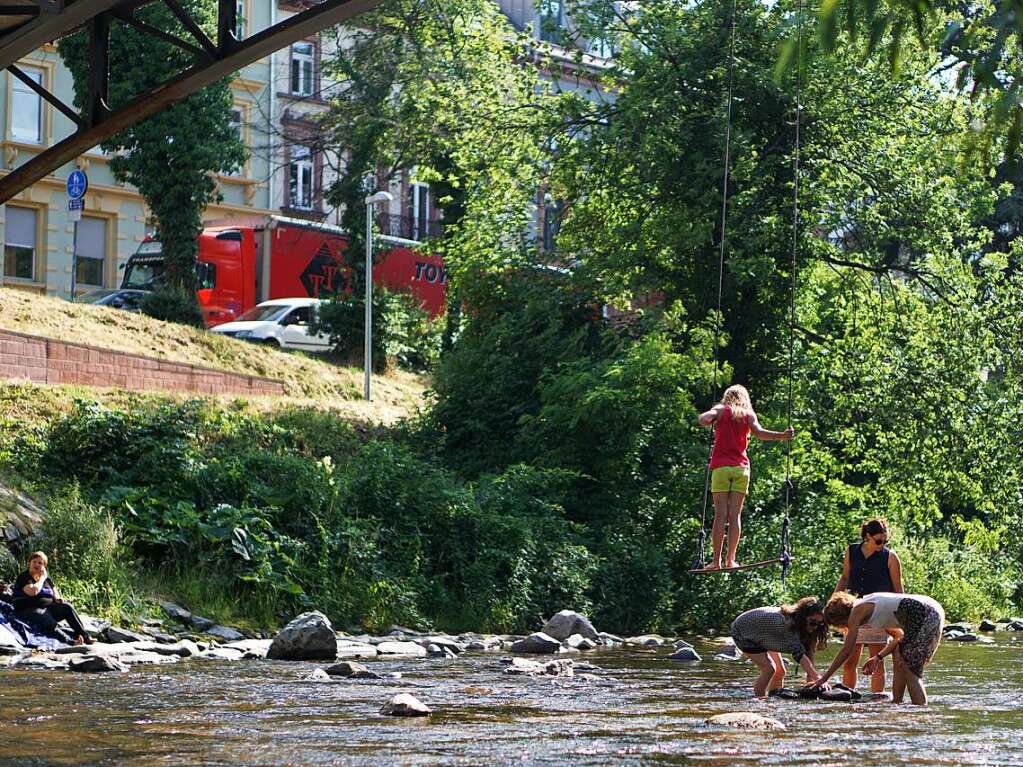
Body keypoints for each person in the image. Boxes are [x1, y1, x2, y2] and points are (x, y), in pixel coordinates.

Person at [697, 384, 794, 569]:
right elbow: (760, 433)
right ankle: (731, 560)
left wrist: (712, 416)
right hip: (741, 469)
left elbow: (704, 419)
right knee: (735, 516)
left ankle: (716, 561)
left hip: (721, 469)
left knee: (720, 516)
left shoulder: (721, 409)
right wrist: (782, 436)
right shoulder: (748, 415)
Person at [816, 591, 945, 705]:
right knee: (901, 656)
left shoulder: (857, 612)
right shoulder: (868, 605)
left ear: (841, 617)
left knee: (911, 669)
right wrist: (878, 657)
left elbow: (846, 651)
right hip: (932, 608)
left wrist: (823, 679)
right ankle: (897, 702)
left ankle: (920, 711)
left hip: (923, 611)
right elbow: (898, 637)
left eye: (842, 624)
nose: (846, 627)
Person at [833, 518, 903, 692]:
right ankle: (847, 694)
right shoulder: (852, 551)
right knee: (850, 659)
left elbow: (898, 589)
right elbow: (845, 578)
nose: (882, 544)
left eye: (885, 541)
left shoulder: (890, 557)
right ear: (867, 536)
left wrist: (901, 617)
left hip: (879, 611)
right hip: (855, 610)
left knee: (876, 660)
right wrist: (833, 600)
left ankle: (876, 699)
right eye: (878, 541)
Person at [730, 597, 829, 697]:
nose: (815, 627)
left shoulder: (806, 626)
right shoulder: (787, 623)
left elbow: (809, 650)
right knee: (769, 669)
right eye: (812, 623)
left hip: (767, 632)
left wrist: (811, 678)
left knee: (780, 671)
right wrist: (818, 678)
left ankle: (775, 696)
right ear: (802, 617)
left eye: (819, 624)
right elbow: (798, 653)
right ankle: (760, 700)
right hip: (742, 632)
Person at [12, 551, 92, 645]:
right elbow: (33, 591)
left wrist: (57, 598)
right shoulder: (24, 576)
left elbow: (54, 590)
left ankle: (85, 636)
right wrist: (42, 578)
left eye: (40, 563)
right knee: (45, 617)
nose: (37, 564)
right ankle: (70, 642)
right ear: (29, 563)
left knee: (67, 607)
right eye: (34, 562)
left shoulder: (46, 579)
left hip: (48, 608)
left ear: (44, 567)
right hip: (28, 610)